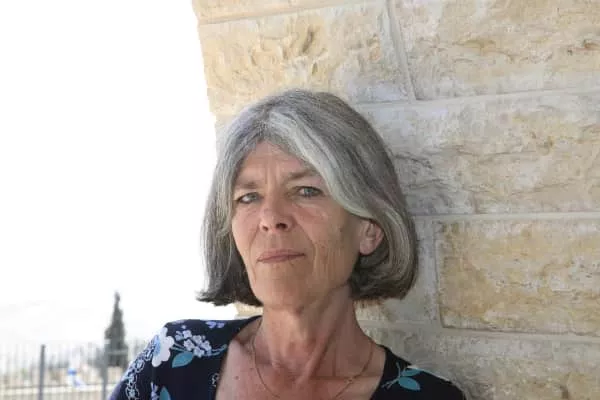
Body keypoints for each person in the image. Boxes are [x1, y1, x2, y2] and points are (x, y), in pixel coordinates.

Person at [110, 89, 466, 399]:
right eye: (248, 197)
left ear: (369, 229)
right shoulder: (173, 362)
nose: (270, 217)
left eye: (306, 191)